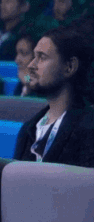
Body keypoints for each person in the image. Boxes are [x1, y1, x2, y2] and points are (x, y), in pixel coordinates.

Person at [13, 23, 94, 167]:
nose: (31, 65)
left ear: (69, 67)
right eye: (34, 56)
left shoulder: (89, 130)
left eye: (41, 57)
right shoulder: (28, 129)